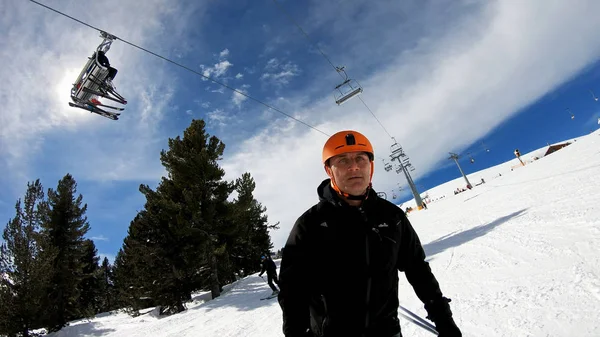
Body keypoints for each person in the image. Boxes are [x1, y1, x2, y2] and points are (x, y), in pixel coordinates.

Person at [277, 130, 461, 337]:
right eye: (343, 160)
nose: (353, 166)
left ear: (370, 166)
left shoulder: (392, 217)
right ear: (329, 170)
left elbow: (417, 269)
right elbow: (292, 289)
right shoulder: (310, 225)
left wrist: (443, 318)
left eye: (360, 159)